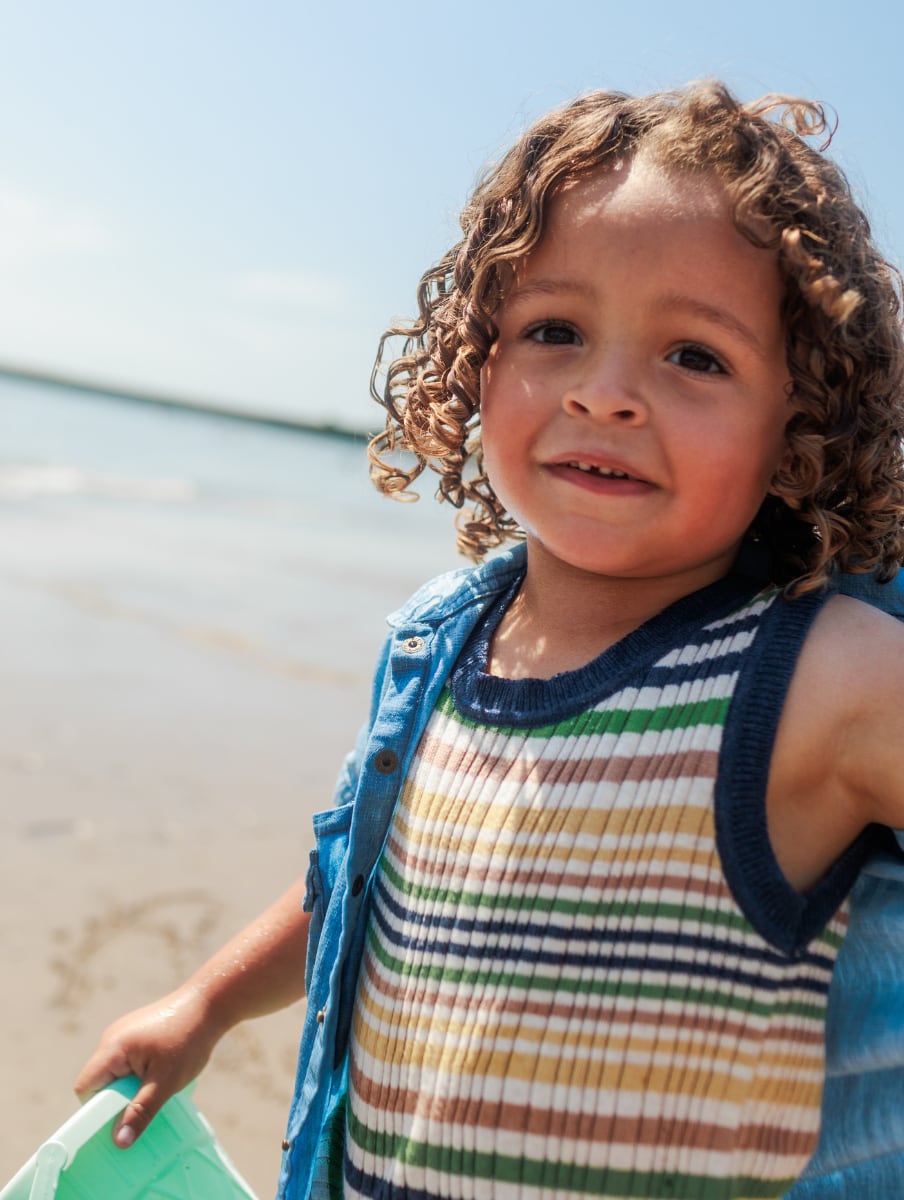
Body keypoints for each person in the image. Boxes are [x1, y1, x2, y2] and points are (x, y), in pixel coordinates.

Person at [75, 82, 904, 1200]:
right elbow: (367, 878)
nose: (605, 395)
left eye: (695, 356)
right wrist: (208, 1003)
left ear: (800, 424)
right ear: (475, 356)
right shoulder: (444, 646)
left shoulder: (821, 680)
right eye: (555, 332)